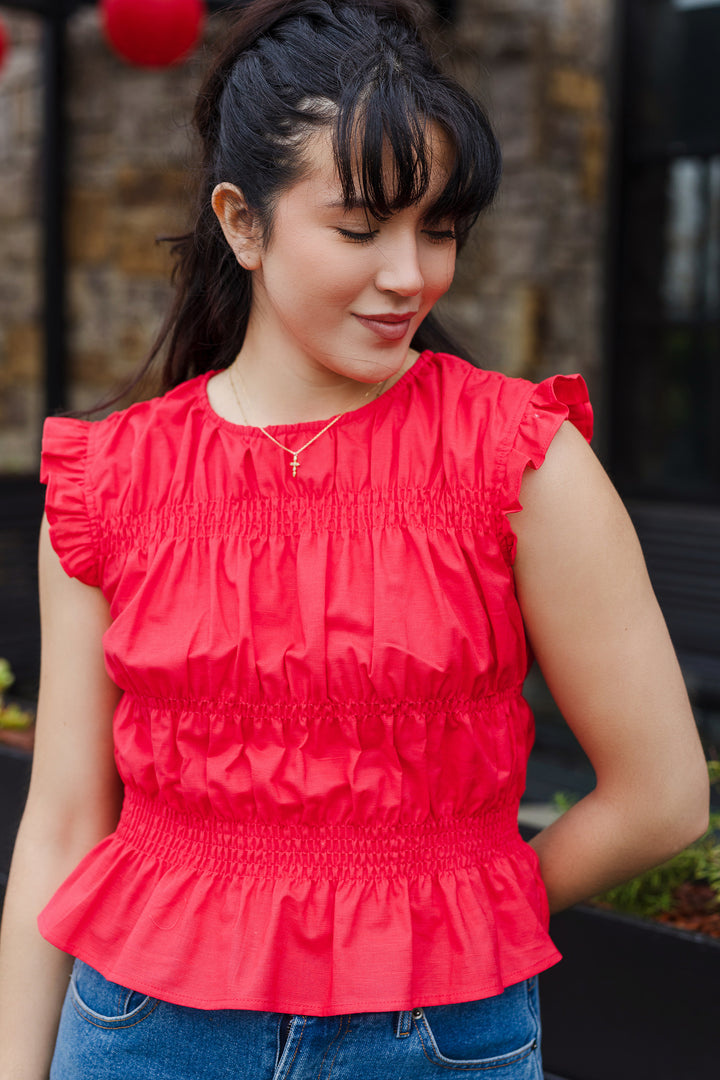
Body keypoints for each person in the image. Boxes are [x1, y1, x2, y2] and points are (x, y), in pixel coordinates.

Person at [0, 1, 709, 1077]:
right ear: (242, 222)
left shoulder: (522, 458)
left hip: (433, 1037)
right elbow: (61, 826)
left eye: (439, 228)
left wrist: (468, 900)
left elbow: (660, 797)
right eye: (361, 225)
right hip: (145, 1034)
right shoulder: (109, 481)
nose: (410, 275)